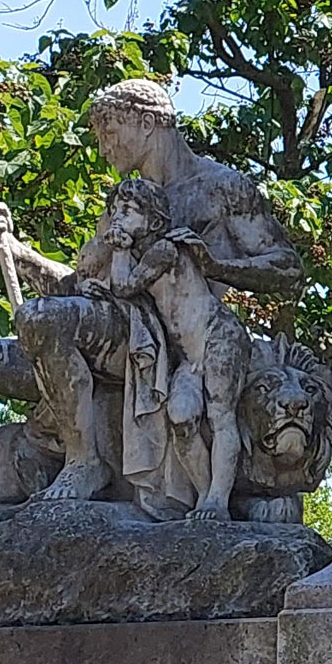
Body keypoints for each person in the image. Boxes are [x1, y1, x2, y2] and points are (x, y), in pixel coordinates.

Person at [0, 79, 302, 525]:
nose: (103, 148)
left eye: (110, 132)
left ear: (148, 122)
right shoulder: (121, 204)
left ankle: (84, 464)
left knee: (44, 320)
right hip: (105, 329)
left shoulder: (221, 189)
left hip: (162, 343)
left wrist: (213, 265)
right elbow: (77, 287)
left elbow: (288, 270)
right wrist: (16, 250)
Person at [92, 178, 251, 521]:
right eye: (115, 210)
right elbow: (127, 294)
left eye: (129, 211)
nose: (118, 217)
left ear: (153, 221)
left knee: (220, 415)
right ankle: (206, 497)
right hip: (189, 357)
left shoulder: (164, 249)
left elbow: (125, 286)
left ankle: (217, 502)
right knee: (181, 418)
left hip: (219, 335)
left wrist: (118, 251)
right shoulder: (146, 254)